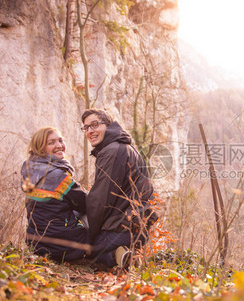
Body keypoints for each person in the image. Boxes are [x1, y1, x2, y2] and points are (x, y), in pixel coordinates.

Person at [81, 108, 157, 269]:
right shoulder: (122, 147)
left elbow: (100, 201)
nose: (90, 131)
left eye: (94, 125)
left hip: (122, 229)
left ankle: (118, 255)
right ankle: (125, 255)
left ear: (108, 125)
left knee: (83, 252)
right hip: (134, 227)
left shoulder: (112, 151)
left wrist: (89, 236)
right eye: (86, 128)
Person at [21, 127, 89, 263]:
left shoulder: (30, 169)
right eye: (51, 143)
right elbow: (87, 204)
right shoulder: (58, 176)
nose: (59, 145)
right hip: (61, 245)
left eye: (60, 140)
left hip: (36, 243)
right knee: (101, 233)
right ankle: (113, 258)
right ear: (40, 148)